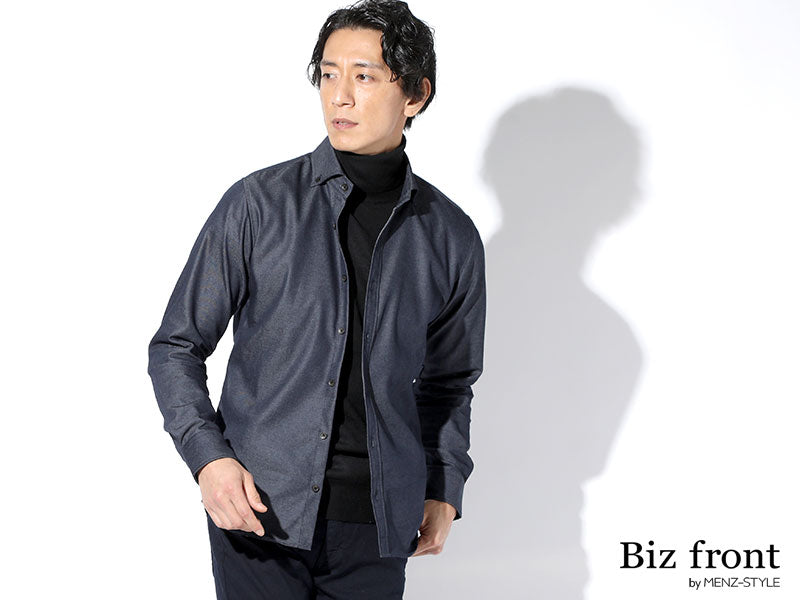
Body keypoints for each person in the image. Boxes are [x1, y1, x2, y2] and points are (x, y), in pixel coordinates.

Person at [147, 1, 486, 597]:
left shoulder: (449, 236)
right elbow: (176, 345)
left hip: (378, 525)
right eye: (328, 75)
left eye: (364, 76)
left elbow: (449, 383)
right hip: (258, 512)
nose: (340, 96)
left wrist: (443, 485)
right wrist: (209, 459)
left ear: (415, 95)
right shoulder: (258, 205)